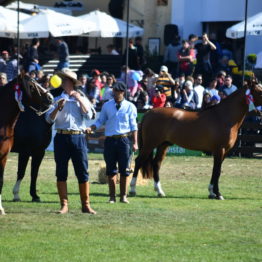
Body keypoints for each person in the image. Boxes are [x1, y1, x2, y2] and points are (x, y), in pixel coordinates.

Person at [45, 68, 96, 214]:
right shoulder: (55, 99)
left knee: (82, 172)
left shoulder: (81, 96)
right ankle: (64, 205)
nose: (62, 82)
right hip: (61, 137)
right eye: (62, 79)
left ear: (72, 83)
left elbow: (90, 115)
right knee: (61, 172)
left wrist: (78, 98)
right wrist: (58, 108)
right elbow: (48, 120)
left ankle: (86, 205)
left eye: (65, 80)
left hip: (78, 137)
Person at [86, 82, 138, 204]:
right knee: (111, 169)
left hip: (124, 140)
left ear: (123, 92)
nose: (114, 93)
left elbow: (134, 126)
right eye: (113, 91)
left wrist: (135, 143)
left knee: (125, 169)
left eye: (117, 91)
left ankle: (123, 196)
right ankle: (112, 197)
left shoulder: (130, 106)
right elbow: (100, 121)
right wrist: (92, 127)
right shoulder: (107, 106)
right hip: (109, 140)